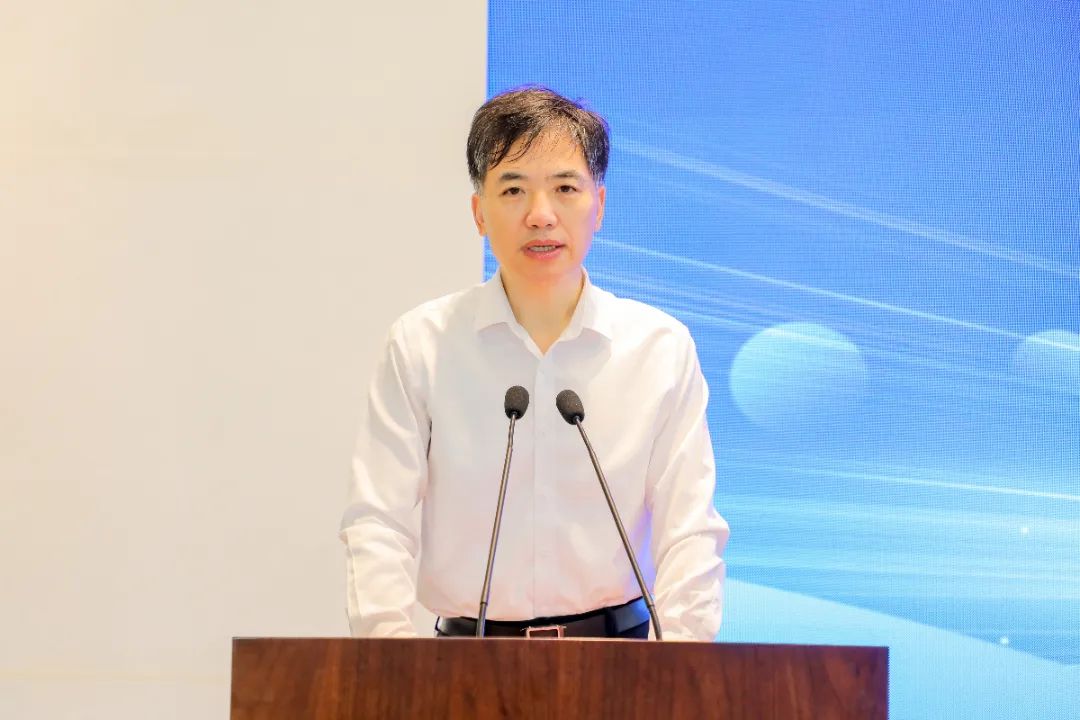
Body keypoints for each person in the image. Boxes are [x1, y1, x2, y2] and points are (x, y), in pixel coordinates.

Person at [340, 87, 728, 640]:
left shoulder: (659, 349)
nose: (540, 215)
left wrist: (683, 667)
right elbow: (378, 520)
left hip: (621, 658)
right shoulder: (422, 344)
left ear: (599, 205)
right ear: (479, 212)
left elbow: (690, 531)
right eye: (513, 189)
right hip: (462, 661)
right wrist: (390, 663)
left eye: (565, 188)